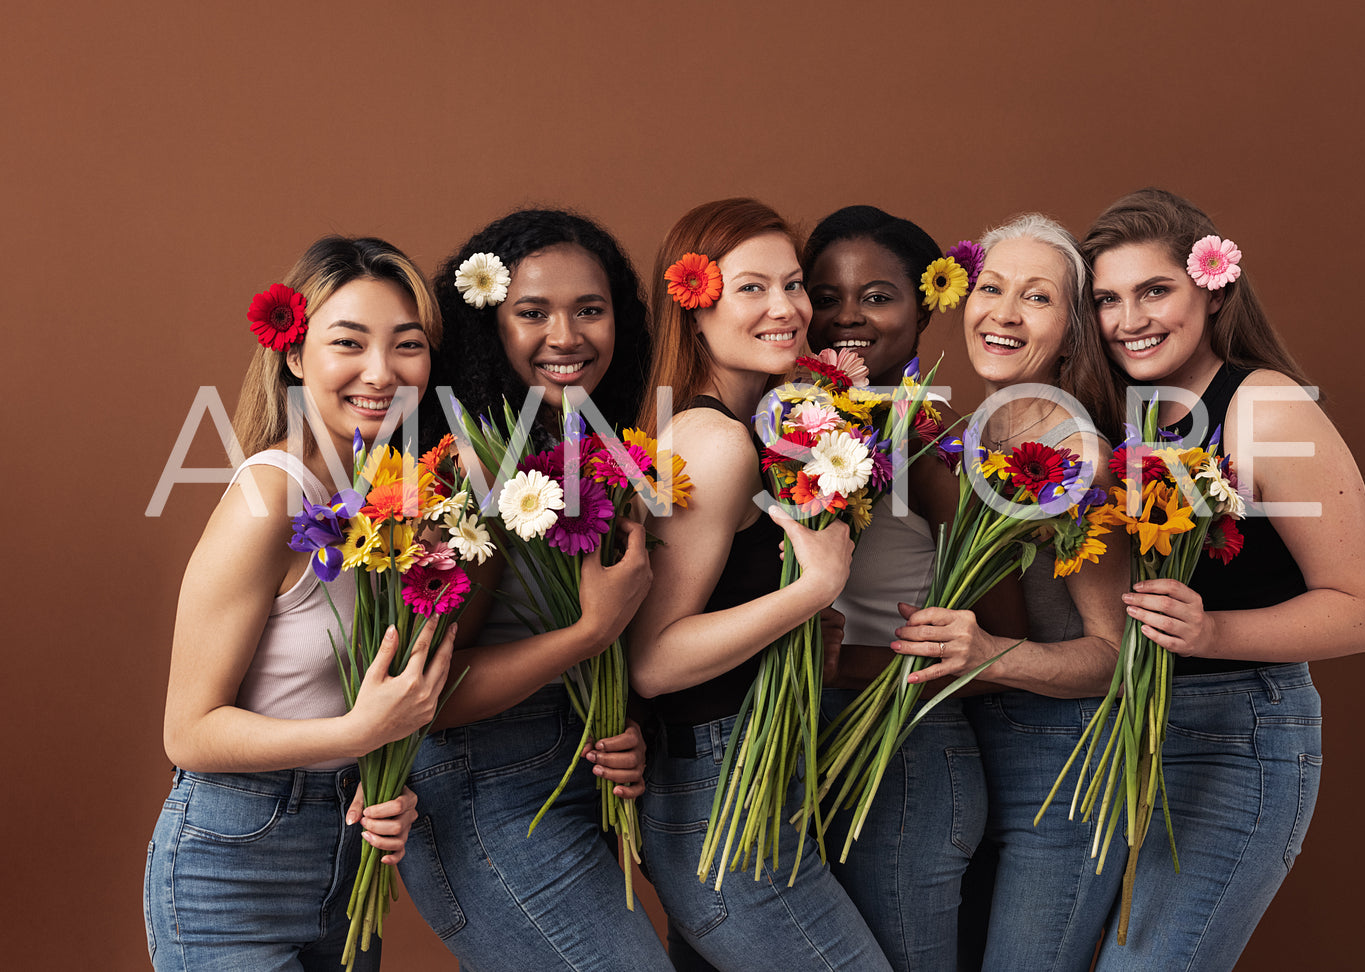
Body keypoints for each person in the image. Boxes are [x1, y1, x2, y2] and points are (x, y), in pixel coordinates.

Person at [1055, 187, 1365, 969]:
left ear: (1211, 289)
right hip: (1127, 733)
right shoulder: (1118, 413)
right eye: (1106, 299)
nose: (1128, 319)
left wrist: (1212, 630)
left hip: (1238, 732)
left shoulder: (1264, 406)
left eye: (1153, 291)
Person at [145, 236, 455, 971]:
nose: (381, 371)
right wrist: (359, 732)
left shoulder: (389, 504)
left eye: (406, 345)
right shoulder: (270, 493)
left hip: (344, 860)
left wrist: (382, 782)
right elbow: (187, 734)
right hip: (234, 863)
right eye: (349, 342)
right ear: (293, 355)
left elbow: (344, 695)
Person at [400, 209, 670, 971]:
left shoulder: (581, 449)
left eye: (590, 309)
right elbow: (434, 693)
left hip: (560, 776)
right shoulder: (466, 469)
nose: (566, 336)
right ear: (487, 326)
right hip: (484, 799)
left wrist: (619, 726)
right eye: (532, 313)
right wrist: (590, 634)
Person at [627, 197, 892, 971]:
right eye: (751, 288)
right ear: (694, 310)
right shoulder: (714, 444)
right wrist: (809, 592)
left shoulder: (750, 431)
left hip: (747, 782)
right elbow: (654, 659)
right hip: (719, 798)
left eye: (793, 284)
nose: (787, 308)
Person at [890, 214, 1130, 970]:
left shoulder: (1069, 447)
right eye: (990, 288)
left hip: (1062, 765)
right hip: (974, 753)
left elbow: (1113, 658)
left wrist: (988, 654)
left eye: (1036, 298)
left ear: (1071, 331)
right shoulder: (967, 432)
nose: (1002, 312)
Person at [801, 204, 985, 972]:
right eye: (826, 295)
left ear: (924, 307)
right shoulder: (781, 427)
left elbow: (992, 646)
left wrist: (842, 668)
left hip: (902, 749)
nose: (848, 317)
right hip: (798, 742)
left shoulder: (937, 445)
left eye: (876, 296)